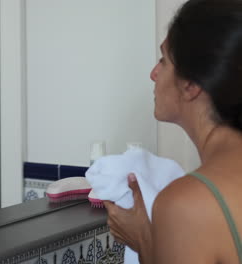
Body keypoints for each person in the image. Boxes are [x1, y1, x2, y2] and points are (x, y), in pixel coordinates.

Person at [103, 0, 242, 263]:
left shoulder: (187, 204)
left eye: (163, 60)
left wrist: (143, 239)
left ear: (191, 84)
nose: (154, 74)